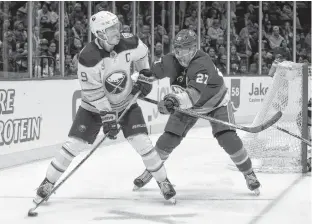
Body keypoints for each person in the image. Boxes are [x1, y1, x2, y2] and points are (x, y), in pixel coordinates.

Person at [33, 11, 176, 204]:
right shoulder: (88, 57)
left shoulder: (130, 42)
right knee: (75, 144)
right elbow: (93, 93)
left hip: (126, 102)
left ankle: (163, 181)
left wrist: (144, 74)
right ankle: (47, 182)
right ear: (100, 34)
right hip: (93, 108)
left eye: (117, 26)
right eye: (111, 29)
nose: (117, 31)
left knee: (142, 142)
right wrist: (108, 115)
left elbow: (142, 54)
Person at [133, 29, 261, 194]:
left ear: (193, 48)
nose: (180, 54)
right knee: (168, 138)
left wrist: (172, 100)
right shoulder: (169, 60)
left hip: (216, 103)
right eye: (177, 49)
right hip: (186, 105)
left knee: (227, 138)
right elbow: (149, 74)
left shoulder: (202, 63)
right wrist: (133, 81)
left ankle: (248, 173)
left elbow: (193, 94)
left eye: (184, 49)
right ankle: (151, 171)